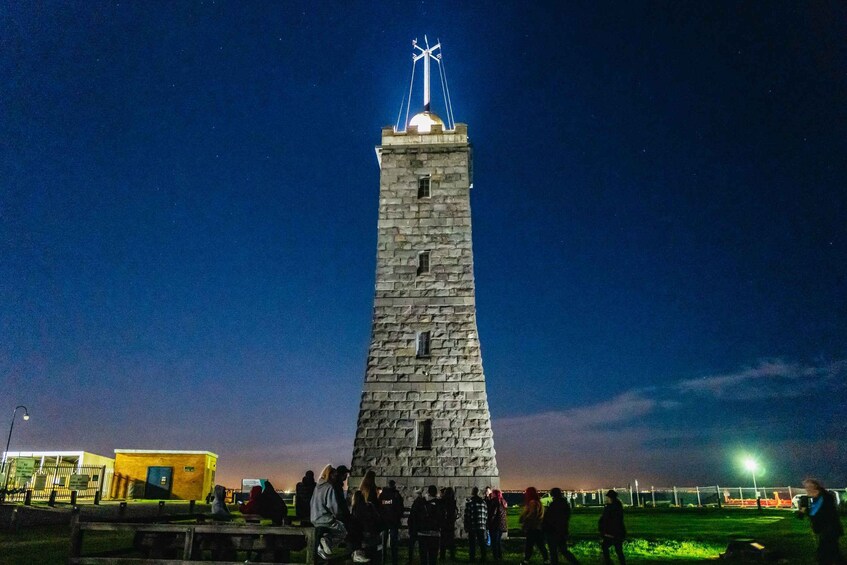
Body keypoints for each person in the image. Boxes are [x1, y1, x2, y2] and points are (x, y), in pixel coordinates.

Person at [311, 464, 369, 563]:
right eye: (335, 474)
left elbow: (312, 502)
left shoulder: (318, 487)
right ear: (330, 475)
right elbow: (334, 507)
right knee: (345, 531)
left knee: (350, 526)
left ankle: (326, 545)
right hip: (326, 519)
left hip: (315, 518)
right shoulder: (330, 487)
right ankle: (353, 552)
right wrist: (341, 516)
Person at [797, 478, 844, 565]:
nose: (807, 489)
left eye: (809, 487)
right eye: (805, 487)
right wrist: (802, 509)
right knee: (834, 551)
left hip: (830, 529)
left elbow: (825, 513)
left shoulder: (826, 497)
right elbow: (803, 516)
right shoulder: (812, 500)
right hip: (823, 530)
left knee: (823, 553)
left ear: (815, 487)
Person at [543, 488, 579, 564]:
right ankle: (576, 562)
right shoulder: (565, 504)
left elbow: (549, 518)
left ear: (553, 495)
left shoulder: (554, 505)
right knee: (563, 550)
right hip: (562, 530)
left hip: (553, 531)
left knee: (553, 551)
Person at [410, 485, 442, 565]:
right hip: (435, 533)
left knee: (423, 557)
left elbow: (413, 515)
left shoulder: (420, 502)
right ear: (435, 493)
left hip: (422, 532)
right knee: (433, 557)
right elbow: (442, 518)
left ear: (428, 492)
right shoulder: (439, 503)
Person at [353, 488, 384, 561]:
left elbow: (356, 520)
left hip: (363, 531)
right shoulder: (369, 505)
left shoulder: (355, 508)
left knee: (367, 550)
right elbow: (377, 517)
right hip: (372, 530)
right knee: (374, 550)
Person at [519, 487, 548, 565]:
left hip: (532, 528)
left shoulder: (532, 503)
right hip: (538, 527)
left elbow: (531, 515)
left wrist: (524, 520)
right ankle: (546, 560)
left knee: (529, 545)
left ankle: (526, 561)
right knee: (540, 545)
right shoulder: (539, 503)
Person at [379, 480, 405, 565]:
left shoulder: (382, 495)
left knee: (383, 542)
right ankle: (394, 561)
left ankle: (383, 559)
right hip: (394, 521)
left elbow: (379, 507)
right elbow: (401, 507)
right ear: (394, 486)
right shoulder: (396, 495)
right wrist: (398, 517)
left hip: (384, 521)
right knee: (394, 542)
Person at [598, 489, 626, 565]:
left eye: (608, 497)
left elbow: (605, 519)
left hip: (611, 532)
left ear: (610, 498)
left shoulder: (610, 507)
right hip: (618, 532)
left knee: (605, 547)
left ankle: (608, 562)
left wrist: (603, 530)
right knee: (618, 550)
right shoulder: (618, 506)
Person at [464, 487, 488, 562]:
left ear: (473, 493)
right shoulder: (484, 503)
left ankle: (472, 558)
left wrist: (466, 526)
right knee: (482, 542)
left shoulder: (470, 503)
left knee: (472, 543)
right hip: (481, 525)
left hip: (473, 525)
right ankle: (484, 557)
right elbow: (486, 514)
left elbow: (467, 515)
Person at [487, 489, 508, 561]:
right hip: (502, 525)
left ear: (495, 494)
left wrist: (489, 522)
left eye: (492, 493)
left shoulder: (495, 502)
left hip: (495, 525)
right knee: (498, 541)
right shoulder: (503, 502)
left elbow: (493, 514)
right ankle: (500, 556)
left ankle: (495, 557)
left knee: (494, 542)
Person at [439, 487, 458, 560]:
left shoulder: (443, 501)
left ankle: (442, 556)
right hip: (450, 522)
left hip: (444, 522)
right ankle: (452, 555)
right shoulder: (453, 502)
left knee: (443, 540)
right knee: (451, 540)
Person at [408, 489, 424, 563]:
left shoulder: (416, 503)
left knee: (411, 545)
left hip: (415, 528)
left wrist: (410, 526)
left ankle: (410, 560)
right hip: (420, 527)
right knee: (421, 546)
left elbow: (412, 516)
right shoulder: (423, 503)